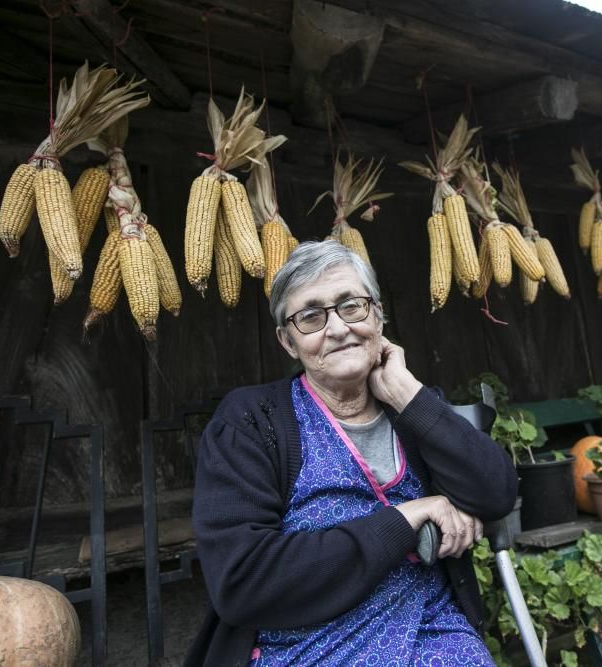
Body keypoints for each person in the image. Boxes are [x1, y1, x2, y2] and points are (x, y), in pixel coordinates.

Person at [186, 240, 518, 666]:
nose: (339, 328)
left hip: (434, 636)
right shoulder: (251, 421)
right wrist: (406, 518)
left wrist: (406, 393)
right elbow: (242, 580)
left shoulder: (413, 409)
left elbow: (496, 493)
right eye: (311, 316)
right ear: (288, 342)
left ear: (378, 315)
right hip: (305, 649)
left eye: (352, 306)